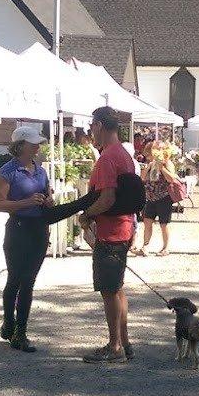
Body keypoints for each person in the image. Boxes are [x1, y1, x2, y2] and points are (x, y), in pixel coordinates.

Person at [79, 106, 137, 364]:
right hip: (124, 227)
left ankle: (115, 347)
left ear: (99, 125)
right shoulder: (124, 154)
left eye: (92, 126)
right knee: (117, 288)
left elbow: (107, 198)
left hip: (110, 231)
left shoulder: (107, 158)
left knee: (108, 290)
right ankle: (123, 342)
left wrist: (86, 214)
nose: (91, 131)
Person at [0, 125, 51, 353]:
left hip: (38, 230)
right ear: (21, 145)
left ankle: (21, 331)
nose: (37, 146)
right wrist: (26, 203)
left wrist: (47, 202)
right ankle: (10, 321)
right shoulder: (8, 171)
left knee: (29, 281)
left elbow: (47, 195)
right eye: (33, 142)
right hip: (18, 229)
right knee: (15, 278)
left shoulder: (41, 170)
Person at [137, 141, 179, 257]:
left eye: (150, 154)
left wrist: (162, 168)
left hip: (164, 197)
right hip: (151, 197)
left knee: (164, 224)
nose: (149, 157)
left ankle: (165, 248)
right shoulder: (150, 164)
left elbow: (171, 179)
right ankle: (145, 246)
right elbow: (142, 179)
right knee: (147, 222)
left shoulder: (167, 163)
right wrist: (147, 168)